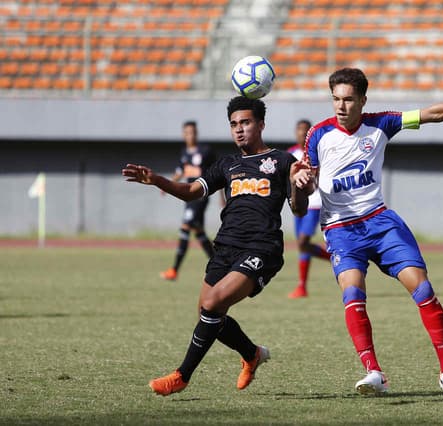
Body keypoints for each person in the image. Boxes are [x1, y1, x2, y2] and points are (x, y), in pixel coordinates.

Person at [299, 67, 443, 397]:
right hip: (341, 229)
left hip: (381, 222)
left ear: (362, 100)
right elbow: (304, 192)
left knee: (423, 289)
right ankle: (373, 372)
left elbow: (434, 114)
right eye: (335, 99)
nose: (341, 106)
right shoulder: (317, 135)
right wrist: (299, 183)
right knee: (352, 292)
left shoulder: (382, 123)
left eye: (348, 99)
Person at [122, 96, 313, 396]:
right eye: (234, 124)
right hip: (226, 246)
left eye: (246, 123)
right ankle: (251, 354)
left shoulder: (282, 161)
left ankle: (181, 376)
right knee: (207, 312)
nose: (239, 130)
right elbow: (189, 192)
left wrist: (301, 186)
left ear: (261, 124)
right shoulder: (226, 164)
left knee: (212, 306)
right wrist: (157, 180)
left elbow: (299, 209)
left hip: (262, 247)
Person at [160, 121, 219, 281]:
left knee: (185, 227)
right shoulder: (184, 152)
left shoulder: (206, 151)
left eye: (192, 132)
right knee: (198, 232)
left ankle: (174, 270)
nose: (190, 135)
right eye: (187, 132)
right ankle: (221, 265)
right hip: (189, 197)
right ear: (183, 135)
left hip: (200, 196)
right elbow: (180, 171)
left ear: (196, 133)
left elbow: (218, 172)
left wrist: (222, 196)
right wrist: (167, 185)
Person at [287, 119, 331, 299]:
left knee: (303, 241)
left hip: (313, 203)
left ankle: (332, 258)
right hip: (297, 203)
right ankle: (302, 287)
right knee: (301, 246)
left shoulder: (317, 152)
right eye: (299, 130)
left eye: (305, 130)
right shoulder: (290, 154)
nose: (302, 133)